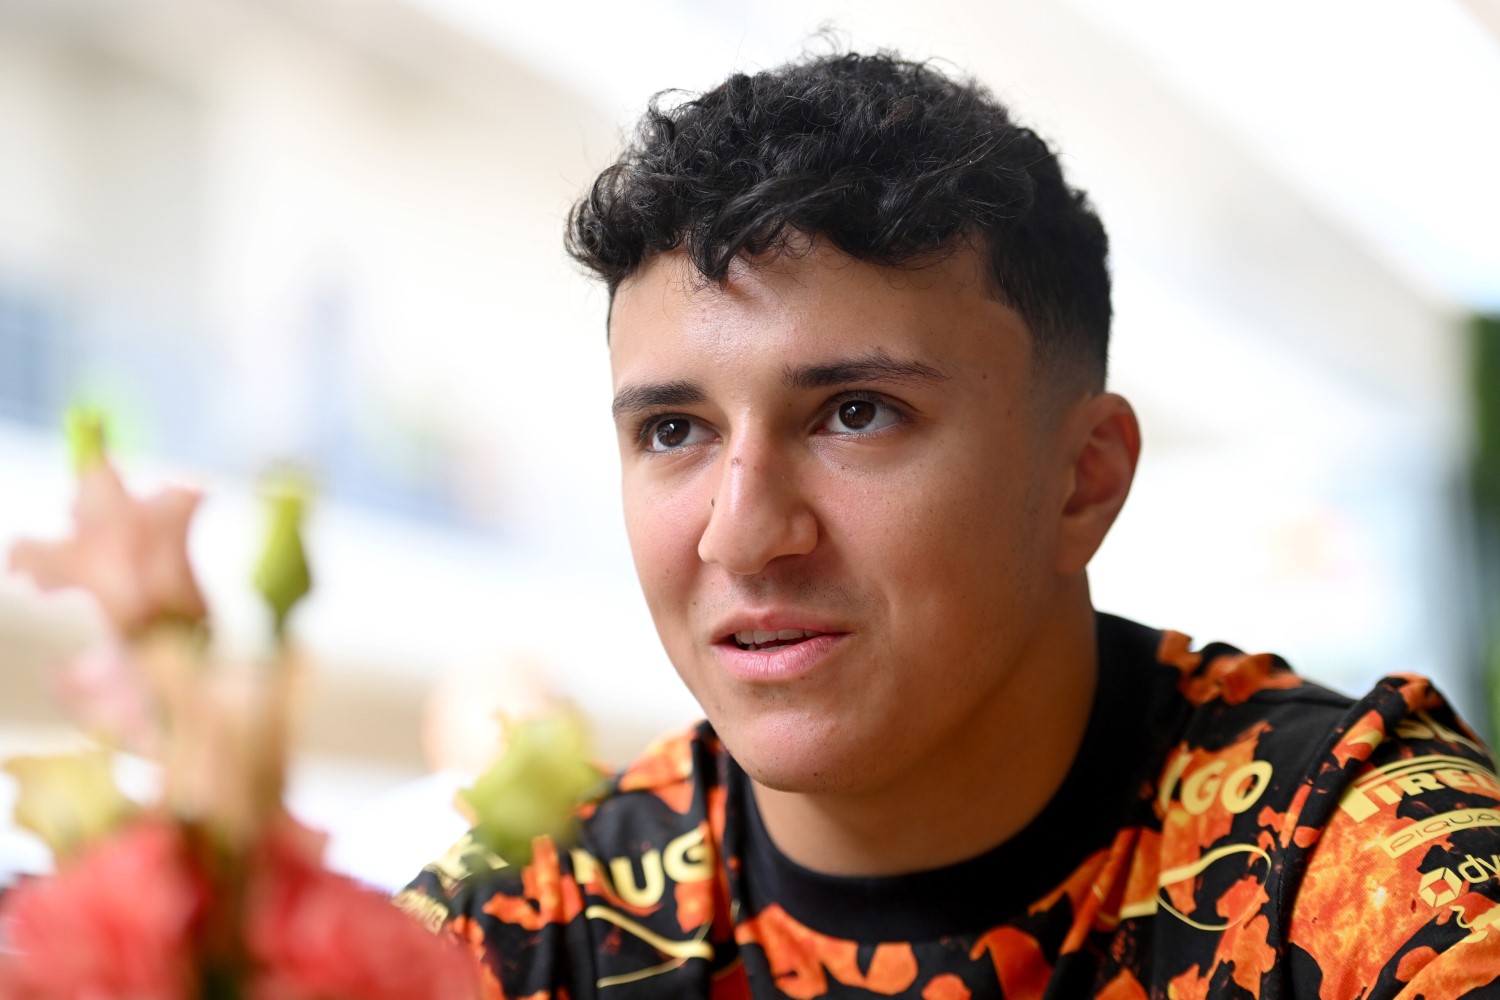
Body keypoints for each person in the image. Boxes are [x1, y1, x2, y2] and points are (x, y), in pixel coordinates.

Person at [398, 51, 1500, 998]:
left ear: (1082, 481)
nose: (741, 535)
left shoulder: (1359, 873)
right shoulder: (519, 932)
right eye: (674, 430)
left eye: (855, 414)